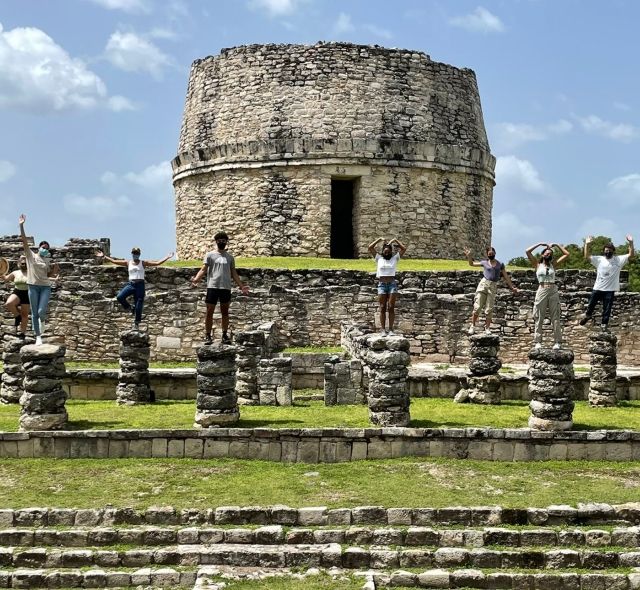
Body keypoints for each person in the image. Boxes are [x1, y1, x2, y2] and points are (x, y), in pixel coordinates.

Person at [191, 231, 249, 345]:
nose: (221, 242)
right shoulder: (210, 255)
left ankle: (224, 335)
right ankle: (207, 335)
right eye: (219, 240)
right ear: (216, 241)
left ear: (226, 242)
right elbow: (203, 269)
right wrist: (196, 280)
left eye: (224, 240)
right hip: (212, 286)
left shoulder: (230, 257)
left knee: (225, 312)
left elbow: (233, 273)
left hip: (225, 287)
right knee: (209, 311)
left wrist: (241, 286)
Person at [96, 247, 174, 330]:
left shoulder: (143, 263)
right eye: (134, 253)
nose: (135, 255)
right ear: (132, 254)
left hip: (140, 285)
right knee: (120, 297)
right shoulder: (128, 262)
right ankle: (130, 308)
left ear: (139, 254)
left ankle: (136, 324)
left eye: (137, 253)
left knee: (139, 305)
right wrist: (104, 256)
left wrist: (167, 257)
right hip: (131, 284)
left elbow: (157, 263)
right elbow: (114, 261)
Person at [18, 214, 59, 345]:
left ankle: (43, 322)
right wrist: (21, 225)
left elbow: (48, 275)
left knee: (41, 311)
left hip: (45, 287)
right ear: (39, 247)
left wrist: (55, 270)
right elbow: (24, 240)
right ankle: (38, 336)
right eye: (43, 247)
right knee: (34, 313)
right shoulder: (31, 256)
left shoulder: (47, 259)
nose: (44, 249)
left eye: (47, 248)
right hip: (33, 286)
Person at [579, 234, 634, 330]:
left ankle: (604, 325)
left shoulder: (618, 260)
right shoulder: (599, 260)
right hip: (598, 287)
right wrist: (587, 244)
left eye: (609, 250)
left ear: (613, 251)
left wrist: (631, 243)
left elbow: (631, 255)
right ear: (604, 251)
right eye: (606, 250)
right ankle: (587, 315)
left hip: (610, 289)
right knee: (591, 304)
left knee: (607, 309)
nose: (607, 252)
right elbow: (587, 256)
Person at [464, 246, 518, 335]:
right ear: (487, 254)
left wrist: (512, 287)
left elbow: (506, 276)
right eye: (489, 254)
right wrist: (469, 256)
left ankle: (487, 328)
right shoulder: (484, 262)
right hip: (483, 284)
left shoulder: (500, 264)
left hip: (493, 286)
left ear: (495, 253)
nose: (491, 255)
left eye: (492, 253)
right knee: (477, 307)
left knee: (489, 308)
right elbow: (472, 264)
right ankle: (472, 326)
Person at [525, 242, 569, 350]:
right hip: (542, 289)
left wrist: (557, 245)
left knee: (555, 317)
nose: (548, 255)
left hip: (553, 289)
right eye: (546, 253)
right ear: (542, 255)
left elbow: (566, 254)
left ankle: (557, 342)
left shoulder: (553, 264)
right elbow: (527, 251)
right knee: (539, 316)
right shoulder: (537, 265)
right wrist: (539, 244)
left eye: (550, 253)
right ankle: (538, 341)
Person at [368, 237, 407, 335]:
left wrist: (394, 240)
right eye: (385, 251)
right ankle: (383, 330)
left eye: (388, 251)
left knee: (391, 307)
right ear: (382, 252)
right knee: (382, 307)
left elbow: (404, 249)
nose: (386, 253)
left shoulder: (395, 258)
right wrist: (379, 239)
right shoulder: (379, 258)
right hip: (381, 285)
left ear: (390, 252)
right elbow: (370, 247)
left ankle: (390, 329)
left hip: (392, 284)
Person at [1, 255, 30, 339]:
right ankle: (17, 315)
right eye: (22, 261)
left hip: (27, 294)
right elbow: (6, 279)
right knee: (9, 303)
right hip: (17, 292)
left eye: (25, 261)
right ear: (19, 263)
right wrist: (3, 276)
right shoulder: (15, 272)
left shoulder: (32, 272)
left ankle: (22, 333)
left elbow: (42, 278)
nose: (23, 262)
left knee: (25, 315)